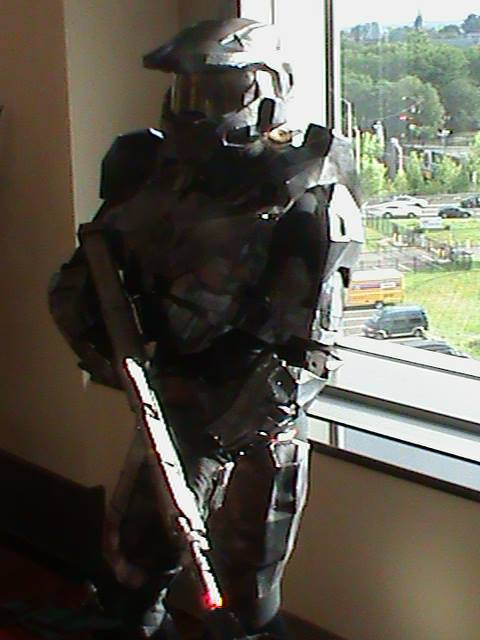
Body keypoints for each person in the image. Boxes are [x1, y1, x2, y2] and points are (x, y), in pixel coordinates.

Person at [49, 18, 363, 640]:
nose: (196, 109)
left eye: (219, 91)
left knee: (245, 589)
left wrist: (218, 440)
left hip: (257, 415)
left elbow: (310, 351)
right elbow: (89, 271)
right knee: (133, 561)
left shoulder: (308, 190)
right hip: (169, 394)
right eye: (187, 90)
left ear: (267, 92)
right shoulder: (144, 169)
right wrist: (99, 339)